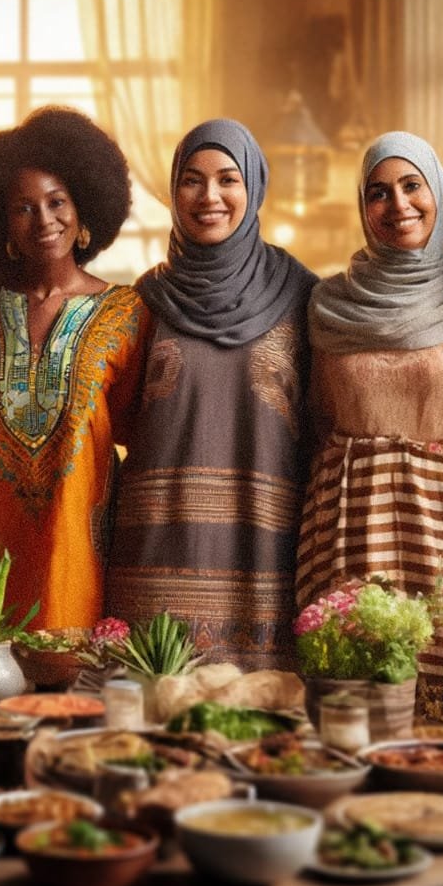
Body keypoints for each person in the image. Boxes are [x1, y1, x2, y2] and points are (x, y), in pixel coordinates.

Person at [106, 118, 317, 669]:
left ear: (253, 187)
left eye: (228, 179)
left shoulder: (303, 296)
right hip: (156, 554)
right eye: (192, 181)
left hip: (264, 557)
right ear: (173, 192)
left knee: (260, 730)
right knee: (153, 723)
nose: (210, 197)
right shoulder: (143, 301)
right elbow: (116, 425)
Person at [298, 131, 443, 729]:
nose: (398, 204)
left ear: (439, 193)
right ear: (363, 207)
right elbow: (313, 418)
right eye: (379, 193)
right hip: (344, 517)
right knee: (347, 694)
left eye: (413, 186)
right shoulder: (329, 302)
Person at [0, 106, 149, 630]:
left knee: (72, 697)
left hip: (76, 551)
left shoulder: (126, 312)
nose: (44, 220)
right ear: (2, 223)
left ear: (83, 212)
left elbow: (130, 429)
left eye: (56, 202)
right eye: (23, 208)